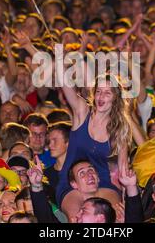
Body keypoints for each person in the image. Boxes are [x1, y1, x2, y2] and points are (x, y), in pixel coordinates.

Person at [56, 73, 134, 220]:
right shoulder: (82, 113)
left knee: (114, 218)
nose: (100, 97)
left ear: (116, 98)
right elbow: (65, 85)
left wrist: (125, 201)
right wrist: (59, 55)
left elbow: (123, 170)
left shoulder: (120, 130)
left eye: (107, 93)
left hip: (104, 183)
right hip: (72, 181)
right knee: (77, 218)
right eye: (98, 91)